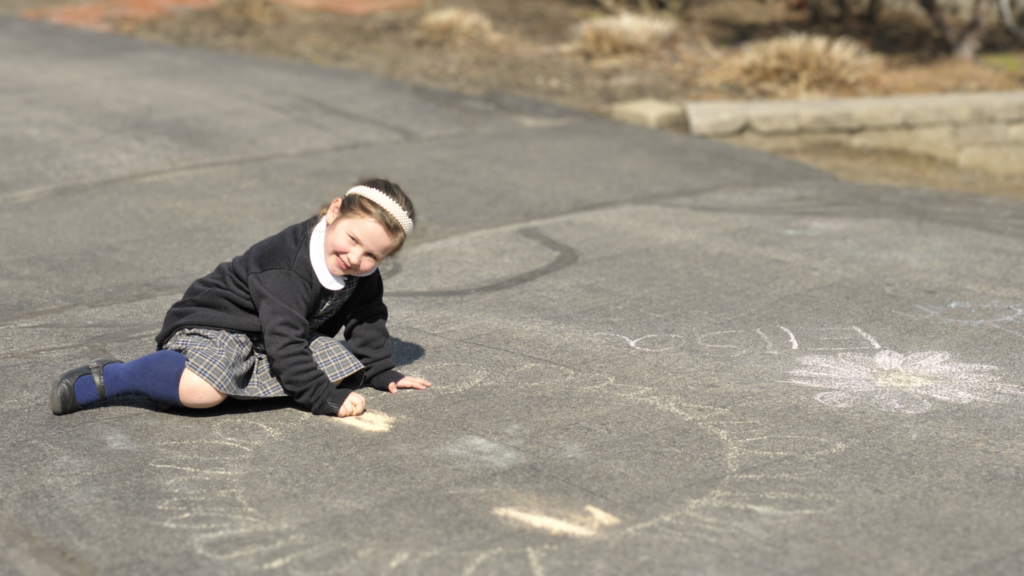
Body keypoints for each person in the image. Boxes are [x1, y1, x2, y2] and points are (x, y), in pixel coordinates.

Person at [50, 178, 431, 418]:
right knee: (204, 393)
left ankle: (200, 382)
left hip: (267, 336)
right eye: (353, 240)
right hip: (216, 324)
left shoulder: (362, 270)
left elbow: (367, 316)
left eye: (373, 256)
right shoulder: (290, 267)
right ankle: (116, 376)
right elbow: (286, 338)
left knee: (347, 368)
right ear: (334, 212)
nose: (356, 258)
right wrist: (321, 399)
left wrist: (380, 371)